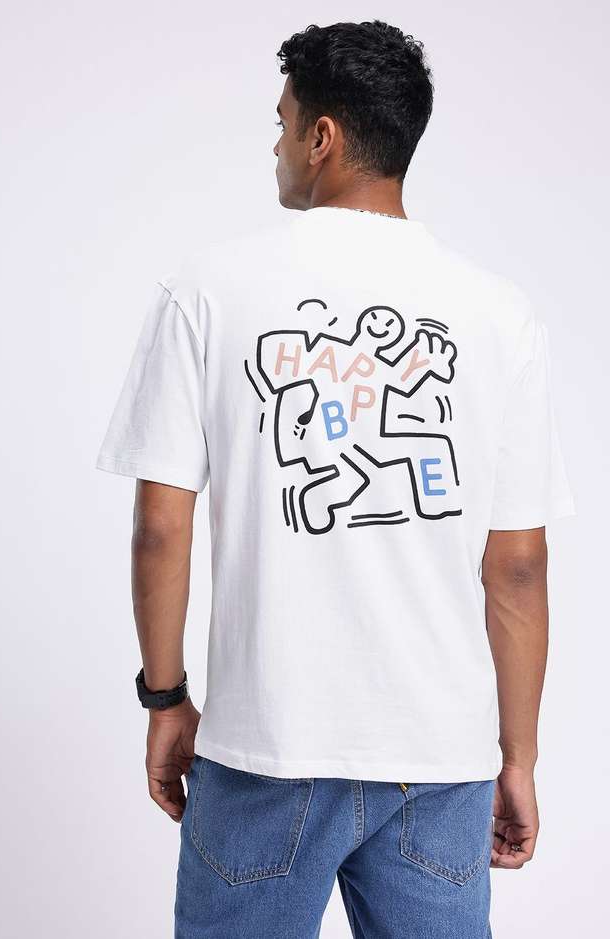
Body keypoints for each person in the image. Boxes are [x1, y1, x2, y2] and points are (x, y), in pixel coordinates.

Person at [97, 19, 574, 939]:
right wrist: (517, 756)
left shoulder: (208, 290)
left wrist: (165, 697)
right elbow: (517, 565)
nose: (275, 145)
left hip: (265, 746)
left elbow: (160, 525)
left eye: (282, 123)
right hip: (439, 761)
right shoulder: (499, 314)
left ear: (323, 137)